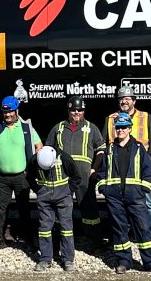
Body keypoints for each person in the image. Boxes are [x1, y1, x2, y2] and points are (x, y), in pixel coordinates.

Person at [98, 113, 151, 275]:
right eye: (117, 127)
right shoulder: (110, 149)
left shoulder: (139, 148)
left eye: (123, 127)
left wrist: (143, 188)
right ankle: (124, 261)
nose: (120, 130)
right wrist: (104, 188)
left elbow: (147, 171)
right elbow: (102, 172)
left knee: (143, 228)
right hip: (114, 197)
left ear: (129, 129)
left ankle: (150, 262)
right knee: (119, 229)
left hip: (135, 196)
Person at [45, 96, 106, 245]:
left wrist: (94, 169)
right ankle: (60, 241)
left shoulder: (92, 128)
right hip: (63, 177)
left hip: (85, 176)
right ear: (68, 110)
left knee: (89, 208)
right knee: (61, 208)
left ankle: (94, 240)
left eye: (79, 110)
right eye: (73, 110)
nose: (76, 112)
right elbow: (48, 150)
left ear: (84, 110)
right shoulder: (58, 128)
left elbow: (101, 150)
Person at [0, 96, 42, 252]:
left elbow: (39, 145)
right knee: (1, 208)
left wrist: (30, 168)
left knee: (24, 209)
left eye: (10, 111)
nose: (8, 115)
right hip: (2, 177)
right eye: (5, 112)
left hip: (21, 176)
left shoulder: (26, 128)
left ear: (17, 111)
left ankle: (28, 240)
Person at [107, 86, 151, 244]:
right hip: (118, 170)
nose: (124, 101)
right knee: (120, 207)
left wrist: (146, 166)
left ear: (134, 101)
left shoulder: (146, 117)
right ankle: (125, 236)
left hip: (139, 170)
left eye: (127, 98)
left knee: (147, 203)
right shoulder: (110, 119)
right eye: (121, 99)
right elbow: (106, 144)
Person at [31, 145, 82, 272]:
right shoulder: (34, 160)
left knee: (66, 228)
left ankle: (68, 259)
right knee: (44, 229)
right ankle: (45, 259)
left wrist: (68, 192)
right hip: (44, 198)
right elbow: (29, 177)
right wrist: (39, 191)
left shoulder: (64, 158)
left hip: (63, 197)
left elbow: (76, 177)